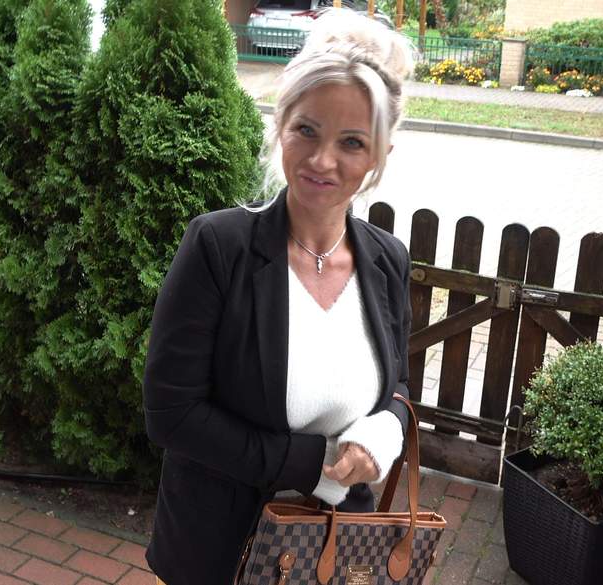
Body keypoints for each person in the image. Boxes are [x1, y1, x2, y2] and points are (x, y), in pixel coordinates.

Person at [143, 10, 415, 584]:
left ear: (379, 155)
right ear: (281, 124)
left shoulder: (387, 260)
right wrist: (313, 464)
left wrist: (384, 432)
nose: (322, 160)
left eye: (351, 142)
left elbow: (397, 385)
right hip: (219, 551)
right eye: (307, 130)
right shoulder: (219, 248)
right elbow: (172, 413)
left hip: (336, 551)